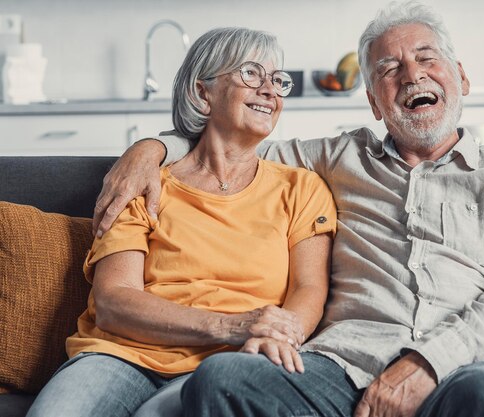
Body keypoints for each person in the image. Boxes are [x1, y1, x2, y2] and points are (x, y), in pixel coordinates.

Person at [93, 2, 484, 417]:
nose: (412, 75)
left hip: (471, 366)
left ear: (461, 77)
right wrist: (150, 147)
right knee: (223, 379)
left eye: (427, 59)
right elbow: (228, 143)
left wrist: (428, 363)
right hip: (342, 367)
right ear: (374, 103)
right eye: (389, 69)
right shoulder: (336, 158)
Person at [25, 27, 337, 417]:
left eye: (277, 80)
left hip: (229, 364)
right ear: (202, 93)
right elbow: (113, 301)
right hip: (121, 355)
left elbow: (309, 288)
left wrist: (283, 335)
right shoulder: (143, 182)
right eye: (251, 74)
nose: (270, 91)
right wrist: (232, 325)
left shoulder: (301, 188)